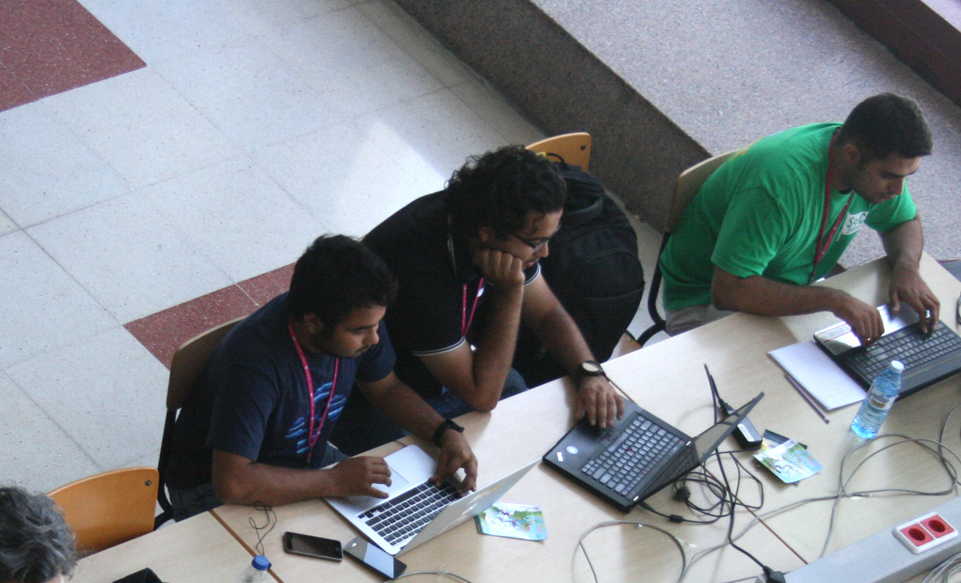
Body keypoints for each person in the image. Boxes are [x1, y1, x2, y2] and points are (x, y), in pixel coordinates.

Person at [161, 234, 479, 521]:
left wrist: (444, 432)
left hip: (303, 461)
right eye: (360, 331)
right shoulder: (254, 364)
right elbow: (233, 483)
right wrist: (333, 482)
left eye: (376, 324)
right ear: (313, 323)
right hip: (212, 489)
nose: (374, 339)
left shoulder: (356, 317)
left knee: (403, 516)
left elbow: (386, 389)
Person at [334, 146, 624, 455]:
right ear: (488, 233)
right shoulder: (417, 265)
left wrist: (589, 372)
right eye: (536, 244)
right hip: (378, 400)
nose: (545, 254)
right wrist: (510, 292)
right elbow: (482, 395)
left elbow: (548, 313)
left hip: (441, 378)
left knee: (516, 395)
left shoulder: (489, 231)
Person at [659, 93, 939, 340]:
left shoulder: (870, 170)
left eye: (907, 176)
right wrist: (834, 300)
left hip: (788, 285)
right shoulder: (779, 188)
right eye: (889, 176)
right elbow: (729, 291)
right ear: (852, 154)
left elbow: (904, 221)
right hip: (704, 297)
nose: (898, 190)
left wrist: (906, 268)